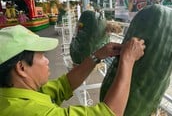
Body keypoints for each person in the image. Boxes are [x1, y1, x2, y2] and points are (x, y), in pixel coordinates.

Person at [0, 25, 145, 116]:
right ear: (21, 68)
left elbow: (64, 85)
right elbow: (108, 114)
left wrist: (97, 56)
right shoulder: (28, 112)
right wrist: (128, 60)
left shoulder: (14, 95)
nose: (47, 60)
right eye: (42, 56)